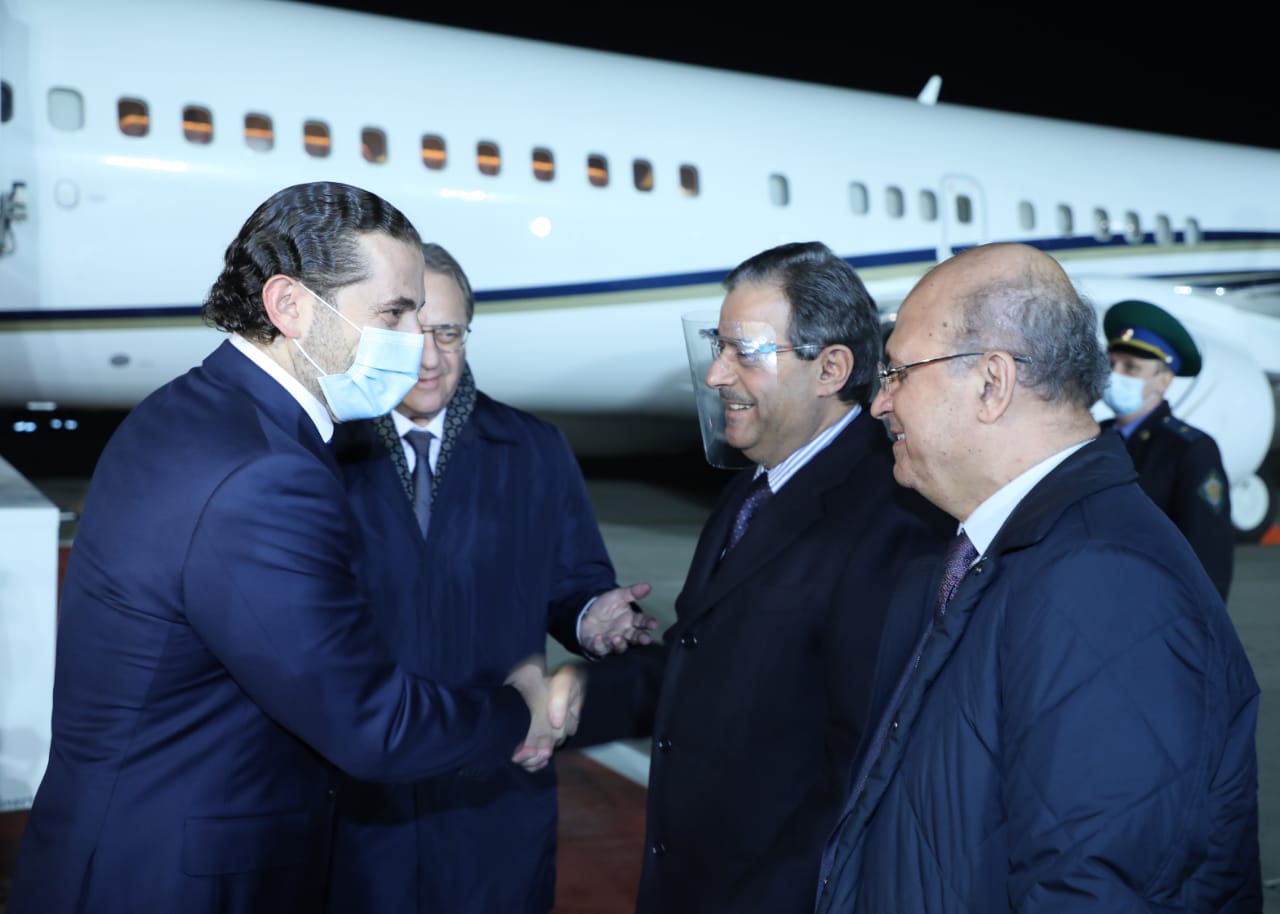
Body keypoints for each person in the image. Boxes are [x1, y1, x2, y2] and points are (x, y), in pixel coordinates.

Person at [7, 182, 582, 914]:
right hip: (185, 876)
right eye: (394, 313)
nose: (415, 341)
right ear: (289, 305)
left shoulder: (197, 409)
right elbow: (370, 725)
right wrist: (518, 710)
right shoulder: (264, 471)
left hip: (129, 846)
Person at [815, 243, 1261, 913]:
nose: (880, 403)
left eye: (899, 372)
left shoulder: (1105, 587)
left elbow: (1095, 890)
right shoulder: (1008, 547)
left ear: (992, 383)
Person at [577, 241, 950, 914]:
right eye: (717, 347)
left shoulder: (893, 518)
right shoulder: (755, 486)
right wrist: (572, 698)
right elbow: (707, 664)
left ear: (831, 368)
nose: (716, 374)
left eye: (744, 352)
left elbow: (867, 766)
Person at [327, 242, 657, 914]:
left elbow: (574, 579)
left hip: (495, 785)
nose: (430, 358)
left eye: (448, 334)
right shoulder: (328, 448)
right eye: (413, 334)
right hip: (358, 795)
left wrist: (592, 615)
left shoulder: (532, 449)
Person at [1099, 298, 1234, 599]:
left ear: (1163, 381)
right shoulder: (1094, 439)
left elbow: (1207, 557)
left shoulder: (1190, 450)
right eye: (1111, 364)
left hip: (1155, 607)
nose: (1115, 375)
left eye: (1131, 368)